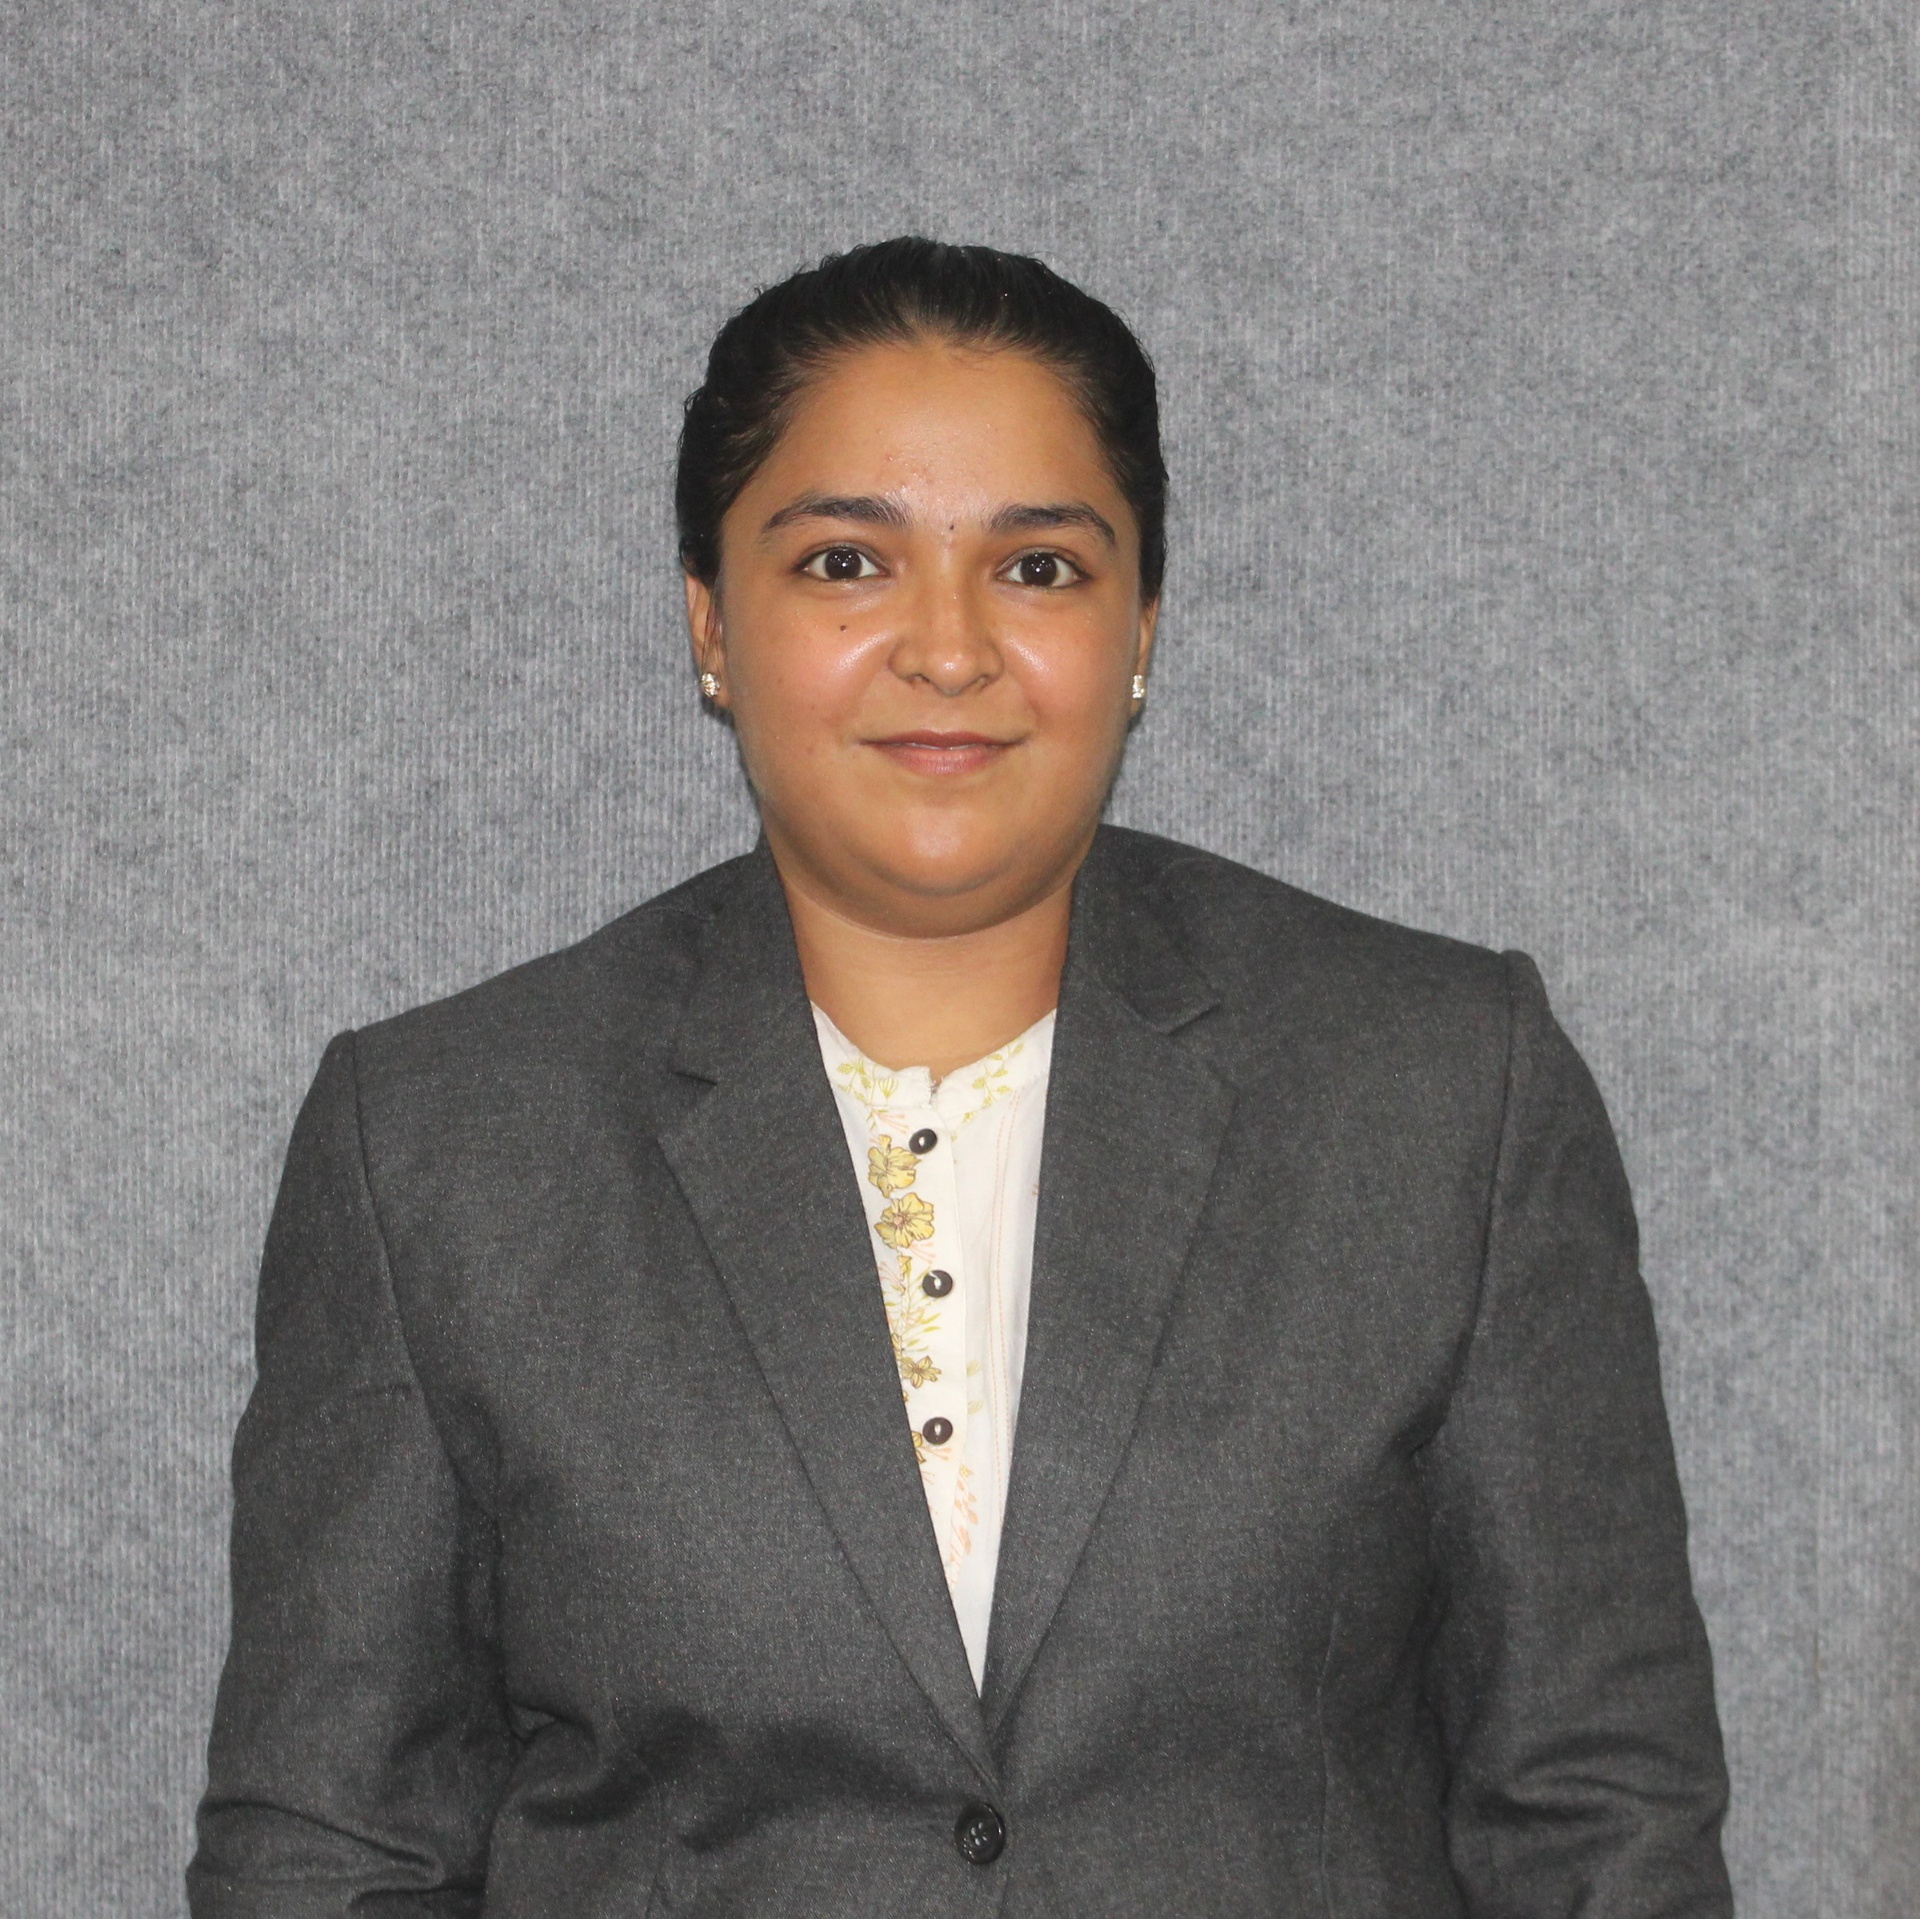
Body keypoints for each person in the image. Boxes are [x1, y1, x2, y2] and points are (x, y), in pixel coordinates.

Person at [189, 238, 1733, 1917]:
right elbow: (331, 1857)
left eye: (1039, 568)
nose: (948, 647)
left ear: (1141, 628)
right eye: (846, 562)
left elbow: (1599, 1818)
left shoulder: (1441, 1092)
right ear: (713, 625)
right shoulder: (444, 1145)